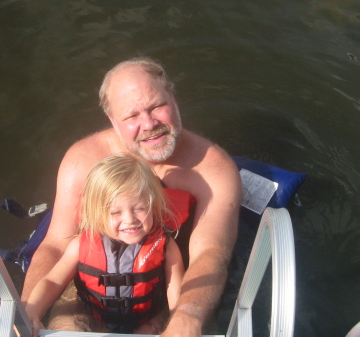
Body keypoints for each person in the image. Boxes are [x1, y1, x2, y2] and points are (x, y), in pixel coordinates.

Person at [21, 57, 242, 336]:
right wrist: (27, 310)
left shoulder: (214, 171)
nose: (149, 124)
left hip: (161, 291)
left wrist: (187, 315)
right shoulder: (82, 160)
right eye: (131, 116)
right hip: (86, 292)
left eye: (157, 107)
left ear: (173, 99)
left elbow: (211, 254)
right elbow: (55, 245)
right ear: (113, 120)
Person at [25, 153, 185, 336]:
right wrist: (33, 310)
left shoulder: (166, 246)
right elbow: (52, 282)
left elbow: (177, 298)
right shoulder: (81, 245)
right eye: (116, 212)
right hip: (93, 315)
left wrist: (169, 326)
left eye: (140, 208)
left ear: (153, 204)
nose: (130, 219)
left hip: (149, 318)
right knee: (65, 325)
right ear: (97, 214)